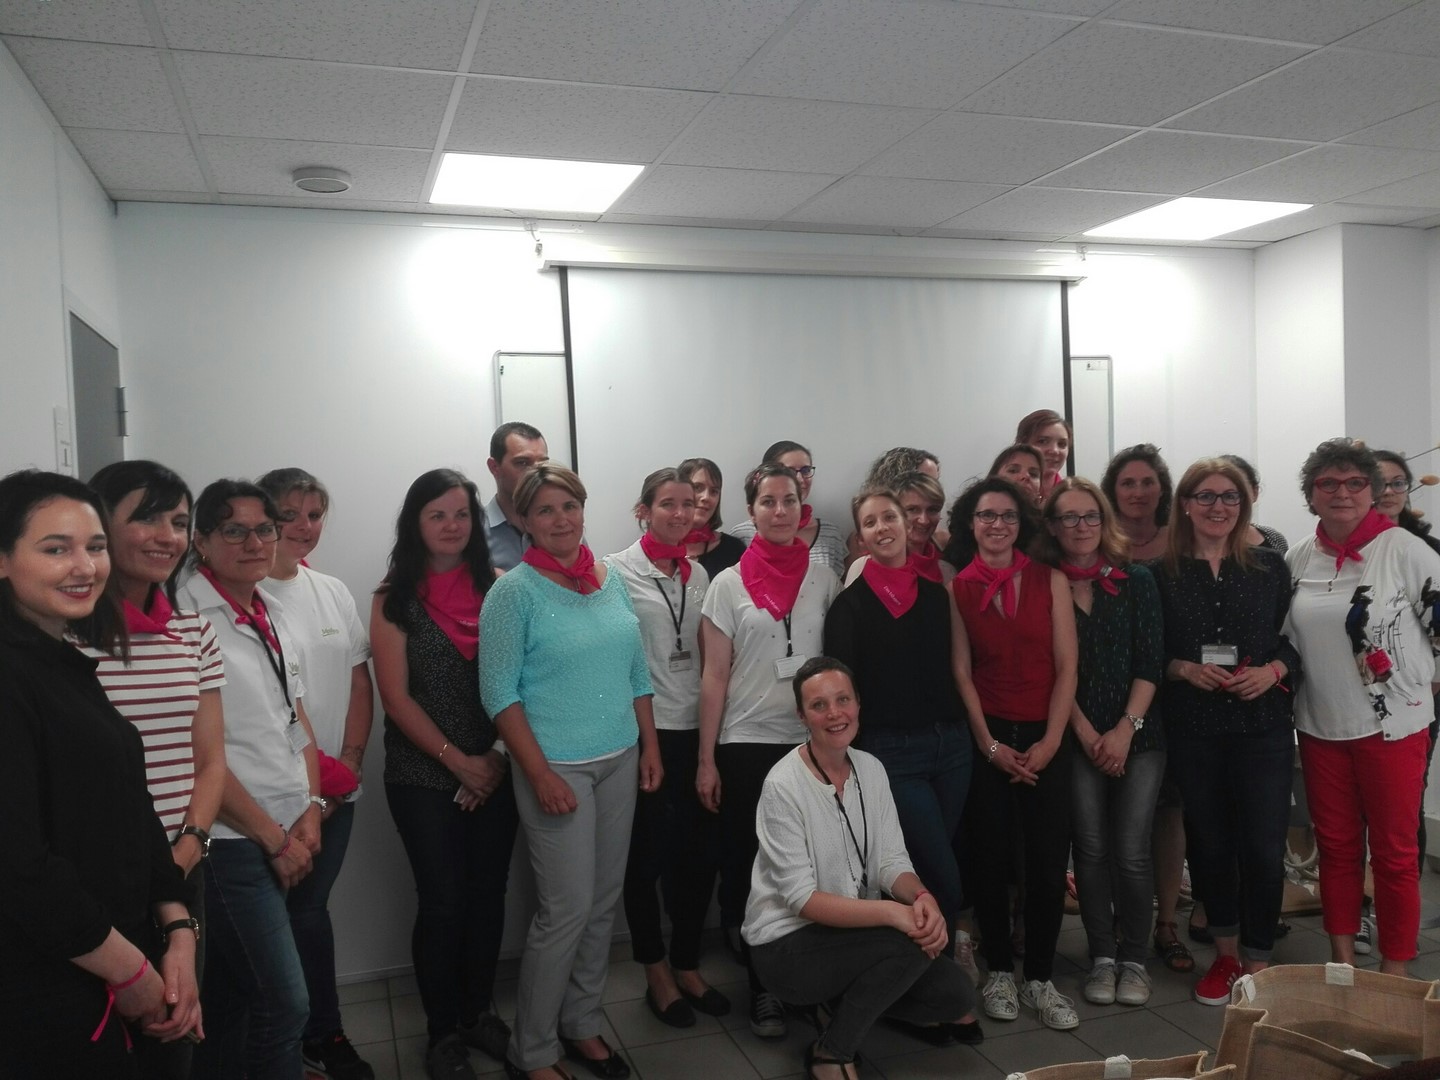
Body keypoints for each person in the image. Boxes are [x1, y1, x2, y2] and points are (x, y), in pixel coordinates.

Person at [0, 469, 200, 1077]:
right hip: (57, 986)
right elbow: (18, 864)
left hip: (131, 948)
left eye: (93, 547)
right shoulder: (11, 674)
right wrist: (131, 971)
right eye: (55, 549)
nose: (84, 567)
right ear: (4, 560)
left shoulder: (64, 661)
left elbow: (131, 809)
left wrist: (179, 932)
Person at [479, 463, 661, 1080]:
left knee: (603, 903)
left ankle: (581, 1023)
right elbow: (499, 695)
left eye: (570, 507)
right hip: (557, 768)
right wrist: (539, 775)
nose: (561, 520)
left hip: (620, 758)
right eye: (546, 511)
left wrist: (651, 748)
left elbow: (637, 675)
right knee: (564, 911)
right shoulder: (513, 592)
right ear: (525, 522)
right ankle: (531, 1052)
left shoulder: (608, 579)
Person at [745, 658, 981, 1080]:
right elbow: (802, 900)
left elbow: (892, 862)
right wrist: (894, 912)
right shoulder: (783, 785)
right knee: (908, 942)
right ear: (802, 715)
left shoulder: (871, 768)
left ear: (858, 704)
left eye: (843, 700)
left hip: (849, 935)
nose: (834, 713)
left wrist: (921, 897)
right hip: (785, 947)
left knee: (955, 993)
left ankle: (849, 1004)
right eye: (818, 705)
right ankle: (831, 1052)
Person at [371, 468, 517, 1080]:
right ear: (416, 524)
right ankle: (441, 1033)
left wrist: (495, 762)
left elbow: (523, 681)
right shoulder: (392, 599)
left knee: (487, 899)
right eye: (438, 515)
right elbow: (396, 698)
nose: (452, 526)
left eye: (461, 514)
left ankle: (476, 1012)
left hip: (498, 766)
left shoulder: (504, 587)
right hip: (422, 774)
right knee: (443, 903)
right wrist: (460, 763)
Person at [176, 479, 321, 1079]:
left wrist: (311, 806)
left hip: (287, 827)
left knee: (234, 995)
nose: (255, 541)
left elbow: (297, 717)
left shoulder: (273, 608)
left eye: (264, 528)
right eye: (233, 530)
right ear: (202, 543)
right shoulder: (184, 618)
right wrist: (274, 838)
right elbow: (196, 758)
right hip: (233, 844)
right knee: (284, 1004)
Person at [86, 460, 226, 1080]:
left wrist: (185, 850)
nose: (166, 535)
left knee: (174, 1042)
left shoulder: (194, 633)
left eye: (177, 521)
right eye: (146, 517)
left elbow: (211, 761)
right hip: (91, 880)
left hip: (181, 866)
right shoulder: (58, 640)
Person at [1285, 439, 1440, 978]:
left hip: (1392, 729)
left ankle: (1395, 975)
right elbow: (1286, 640)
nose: (1342, 493)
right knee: (1336, 849)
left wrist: (1420, 686)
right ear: (1311, 495)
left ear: (1373, 491)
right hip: (1321, 727)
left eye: (1354, 483)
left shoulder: (1403, 548)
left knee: (1395, 855)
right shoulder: (1301, 555)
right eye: (1328, 483)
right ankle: (1343, 965)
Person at [698, 461, 841, 1039]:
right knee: (754, 870)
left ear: (801, 506)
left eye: (788, 501)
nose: (779, 512)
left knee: (814, 869)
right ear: (750, 512)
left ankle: (811, 983)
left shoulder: (825, 578)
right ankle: (763, 988)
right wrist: (706, 759)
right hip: (747, 744)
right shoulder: (726, 584)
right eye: (767, 503)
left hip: (811, 744)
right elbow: (713, 677)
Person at [1151, 458, 1296, 1006]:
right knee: (1210, 844)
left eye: (1229, 497)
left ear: (1244, 505)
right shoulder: (1159, 575)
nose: (1218, 507)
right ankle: (1227, 956)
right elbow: (1152, 654)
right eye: (1206, 496)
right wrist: (1184, 669)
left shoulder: (1269, 567)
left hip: (1261, 725)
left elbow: (1293, 641)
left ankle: (1259, 960)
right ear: (1184, 504)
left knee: (1261, 846)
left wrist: (1273, 671)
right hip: (1195, 728)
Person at [944, 477, 1078, 1031]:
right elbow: (961, 670)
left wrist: (1050, 740)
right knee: (991, 862)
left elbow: (1068, 665)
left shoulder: (1052, 580)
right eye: (985, 516)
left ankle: (1040, 977)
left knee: (1047, 865)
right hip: (990, 737)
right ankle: (1000, 969)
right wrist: (990, 745)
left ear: (1021, 524)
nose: (996, 525)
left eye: (1007, 516)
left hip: (1048, 733)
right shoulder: (958, 588)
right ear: (970, 524)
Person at [256, 467, 375, 1080]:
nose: (304, 528)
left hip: (335, 788)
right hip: (271, 796)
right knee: (287, 920)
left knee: (308, 912)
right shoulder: (240, 598)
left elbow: (359, 679)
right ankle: (311, 1038)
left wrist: (349, 764)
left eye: (314, 514)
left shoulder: (330, 590)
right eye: (288, 515)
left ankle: (315, 1036)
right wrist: (307, 795)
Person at [824, 489, 973, 946]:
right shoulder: (847, 607)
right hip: (892, 755)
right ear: (861, 537)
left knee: (934, 857)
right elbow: (842, 695)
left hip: (952, 747)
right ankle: (946, 960)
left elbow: (958, 668)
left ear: (908, 525)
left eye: (890, 517)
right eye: (870, 523)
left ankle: (922, 965)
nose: (882, 528)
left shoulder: (936, 596)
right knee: (938, 871)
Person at [608, 469, 729, 1029]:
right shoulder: (614, 573)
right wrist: (645, 740)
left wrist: (709, 748)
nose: (682, 514)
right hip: (643, 736)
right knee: (647, 857)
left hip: (698, 733)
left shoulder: (700, 572)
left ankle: (687, 963)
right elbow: (619, 667)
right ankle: (655, 971)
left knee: (698, 855)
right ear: (643, 510)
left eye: (691, 504)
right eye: (669, 504)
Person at [1038, 478, 1164, 1008]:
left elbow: (1150, 662)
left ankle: (1135, 959)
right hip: (1077, 737)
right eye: (1069, 517)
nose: (1081, 526)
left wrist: (1123, 731)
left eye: (1090, 516)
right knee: (1088, 851)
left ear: (1104, 520)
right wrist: (1090, 735)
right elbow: (1051, 672)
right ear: (1052, 526)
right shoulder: (1044, 584)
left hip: (1141, 736)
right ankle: (1103, 956)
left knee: (1132, 852)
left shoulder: (1135, 579)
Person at [1373, 448, 1440, 885]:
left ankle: (1401, 907)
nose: (1390, 491)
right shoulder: (1339, 549)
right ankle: (1362, 904)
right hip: (1355, 698)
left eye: (1399, 482)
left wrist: (1433, 681)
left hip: (1418, 697)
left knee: (1404, 802)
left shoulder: (1428, 550)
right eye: (1379, 483)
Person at [728, 440, 848, 580]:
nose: (800, 479)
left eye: (806, 470)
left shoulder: (830, 534)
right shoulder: (741, 535)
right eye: (789, 471)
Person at [844, 471, 952, 586]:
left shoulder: (946, 571)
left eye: (933, 509)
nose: (923, 520)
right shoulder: (863, 566)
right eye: (912, 509)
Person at [844, 448, 943, 567]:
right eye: (923, 480)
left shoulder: (941, 540)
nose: (932, 487)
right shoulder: (869, 539)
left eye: (935, 482)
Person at [484, 422, 548, 571]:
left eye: (542, 464)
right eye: (523, 463)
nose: (535, 473)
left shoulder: (562, 522)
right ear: (494, 467)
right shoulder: (472, 532)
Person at [678, 457, 746, 581]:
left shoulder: (734, 549)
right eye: (698, 488)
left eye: (714, 491)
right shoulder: (659, 547)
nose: (706, 497)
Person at [1102, 444, 1172, 562]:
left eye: (1148, 483)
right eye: (1128, 484)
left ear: (1162, 489)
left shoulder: (1180, 540)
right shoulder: (1098, 542)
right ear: (1113, 491)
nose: (1139, 494)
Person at [1220, 454, 1288, 552]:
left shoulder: (1273, 539)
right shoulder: (1193, 544)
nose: (1220, 505)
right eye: (1209, 496)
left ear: (1254, 493)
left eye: (1232, 495)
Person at [1015, 410, 1072, 498]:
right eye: (1042, 441)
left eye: (1061, 444)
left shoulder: (1073, 497)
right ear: (1022, 444)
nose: (1054, 451)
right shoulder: (1001, 495)